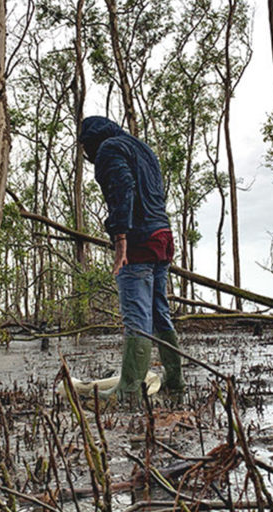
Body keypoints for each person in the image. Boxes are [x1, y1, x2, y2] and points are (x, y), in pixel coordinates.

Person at [79, 115, 184, 400]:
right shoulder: (142, 148)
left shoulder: (108, 150)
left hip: (138, 240)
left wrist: (120, 238)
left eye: (85, 149)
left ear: (90, 142)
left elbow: (122, 188)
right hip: (163, 237)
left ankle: (128, 391)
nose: (88, 155)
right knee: (159, 311)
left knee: (136, 316)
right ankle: (175, 380)